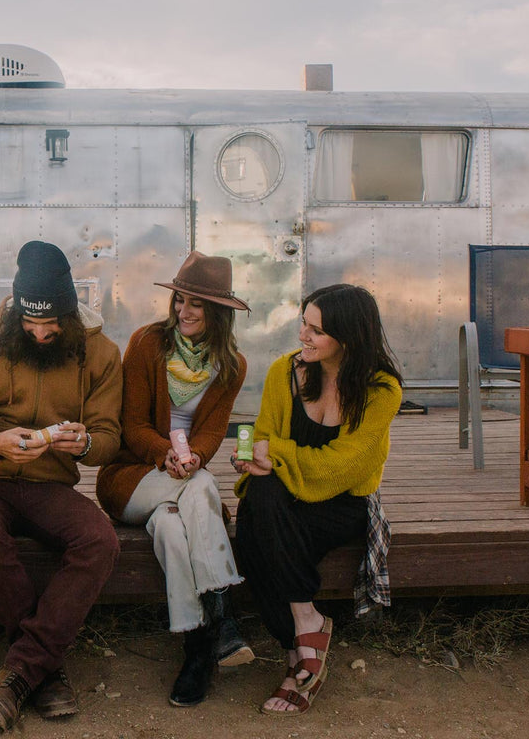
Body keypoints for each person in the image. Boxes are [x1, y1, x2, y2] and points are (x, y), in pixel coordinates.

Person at [0, 239, 123, 731]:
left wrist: (84, 445)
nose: (42, 334)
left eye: (52, 326)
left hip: (51, 483)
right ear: (15, 311)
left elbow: (110, 438)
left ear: (70, 316)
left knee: (100, 540)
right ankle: (44, 672)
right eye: (31, 325)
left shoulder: (102, 353)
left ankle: (20, 671)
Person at [231, 283, 402, 717]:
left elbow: (341, 468)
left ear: (349, 338)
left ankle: (296, 653)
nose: (302, 336)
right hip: (284, 498)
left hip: (342, 504)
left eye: (315, 330)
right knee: (262, 498)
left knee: (254, 534)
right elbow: (265, 437)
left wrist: (276, 456)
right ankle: (305, 627)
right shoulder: (283, 372)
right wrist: (253, 457)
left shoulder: (382, 391)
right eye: (303, 323)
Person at [96, 250, 251, 708]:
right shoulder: (147, 343)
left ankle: (197, 649)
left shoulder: (232, 366)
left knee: (170, 524)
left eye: (196, 304)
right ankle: (223, 616)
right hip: (132, 477)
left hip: (179, 486)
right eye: (180, 300)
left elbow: (212, 431)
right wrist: (166, 455)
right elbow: (132, 424)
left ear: (218, 312)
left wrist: (196, 456)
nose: (183, 311)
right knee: (202, 488)